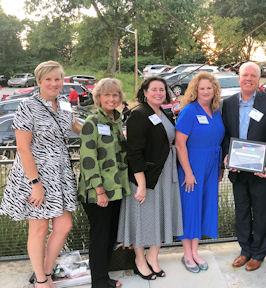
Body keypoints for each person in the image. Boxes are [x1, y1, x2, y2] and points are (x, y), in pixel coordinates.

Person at [0, 60, 81, 287]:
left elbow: (75, 126)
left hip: (60, 173)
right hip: (36, 174)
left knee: (64, 225)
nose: (54, 84)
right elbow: (23, 148)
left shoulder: (64, 103)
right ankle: (42, 280)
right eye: (49, 79)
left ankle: (44, 271)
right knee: (40, 227)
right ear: (38, 82)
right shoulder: (28, 106)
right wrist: (35, 183)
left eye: (58, 79)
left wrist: (102, 133)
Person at [117, 77, 183, 280]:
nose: (158, 93)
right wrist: (142, 184)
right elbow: (134, 152)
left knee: (159, 216)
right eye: (153, 89)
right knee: (142, 219)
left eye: (162, 90)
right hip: (146, 178)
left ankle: (153, 257)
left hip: (165, 174)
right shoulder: (139, 114)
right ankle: (139, 260)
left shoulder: (162, 112)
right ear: (144, 92)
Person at [222, 62, 266, 271]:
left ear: (258, 80)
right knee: (241, 212)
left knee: (262, 212)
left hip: (261, 171)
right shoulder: (229, 103)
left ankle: (258, 253)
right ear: (239, 78)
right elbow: (226, 135)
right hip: (238, 171)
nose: (248, 79)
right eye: (244, 75)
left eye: (253, 76)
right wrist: (227, 156)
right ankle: (245, 250)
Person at [78, 78, 130, 288]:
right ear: (98, 98)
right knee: (100, 238)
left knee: (109, 237)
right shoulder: (92, 122)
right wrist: (99, 190)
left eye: (115, 95)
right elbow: (88, 159)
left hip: (116, 190)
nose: (111, 98)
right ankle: (98, 282)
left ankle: (104, 277)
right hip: (98, 192)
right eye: (107, 95)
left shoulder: (116, 121)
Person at [175, 71, 225, 273]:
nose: (205, 91)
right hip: (192, 166)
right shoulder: (188, 111)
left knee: (203, 208)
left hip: (211, 167)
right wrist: (188, 172)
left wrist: (219, 167)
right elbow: (180, 144)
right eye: (202, 88)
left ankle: (196, 251)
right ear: (195, 91)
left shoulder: (216, 111)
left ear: (215, 91)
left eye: (209, 88)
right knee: (190, 209)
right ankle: (187, 254)